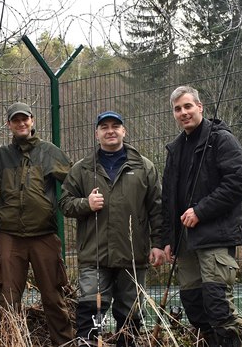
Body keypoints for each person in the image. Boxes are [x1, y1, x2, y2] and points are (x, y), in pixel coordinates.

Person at [59, 111, 168, 347]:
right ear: (97, 133)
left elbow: (157, 210)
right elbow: (64, 204)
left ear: (124, 131)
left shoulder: (144, 167)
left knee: (130, 319)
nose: (110, 130)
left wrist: (158, 244)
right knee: (90, 317)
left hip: (133, 256)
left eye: (115, 126)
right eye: (104, 127)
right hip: (94, 257)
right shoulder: (82, 169)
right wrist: (85, 204)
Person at [0, 102, 75, 346]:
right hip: (10, 236)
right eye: (15, 120)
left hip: (44, 234)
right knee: (8, 300)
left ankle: (65, 343)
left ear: (32, 121)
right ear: (9, 125)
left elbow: (74, 179)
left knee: (53, 297)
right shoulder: (0, 156)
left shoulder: (50, 152)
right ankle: (10, 342)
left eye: (25, 119)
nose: (21, 123)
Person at [162, 86, 242, 347]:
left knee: (218, 308)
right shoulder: (175, 149)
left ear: (200, 107)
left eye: (188, 106)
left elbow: (238, 182)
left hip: (215, 237)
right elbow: (169, 200)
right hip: (185, 243)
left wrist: (201, 211)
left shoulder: (221, 139)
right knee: (195, 308)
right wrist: (169, 238)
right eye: (178, 109)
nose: (183, 113)